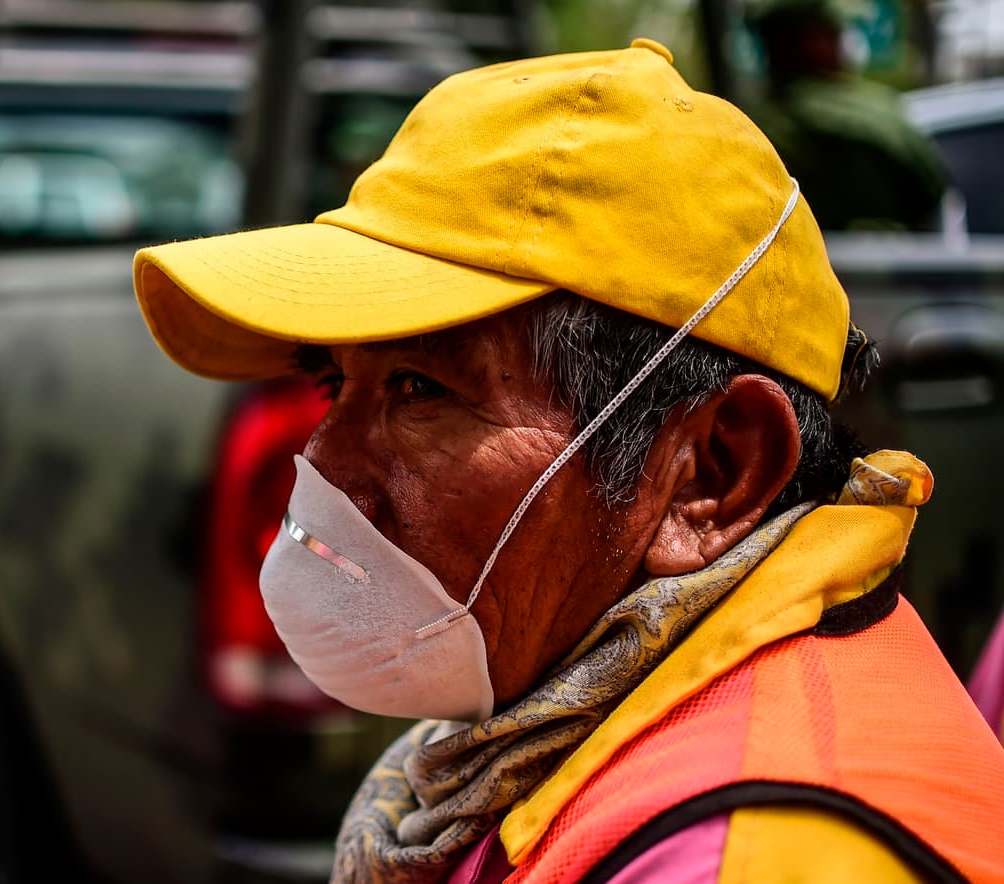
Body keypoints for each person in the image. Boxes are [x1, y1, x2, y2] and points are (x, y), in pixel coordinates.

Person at [132, 40, 1004, 882]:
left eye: (417, 390)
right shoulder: (552, 747)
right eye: (332, 385)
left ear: (711, 477)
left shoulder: (751, 854)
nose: (327, 465)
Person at [744, 0, 946, 230]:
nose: (845, 42)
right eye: (836, 31)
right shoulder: (876, 112)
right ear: (813, 42)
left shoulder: (748, 128)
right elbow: (934, 189)